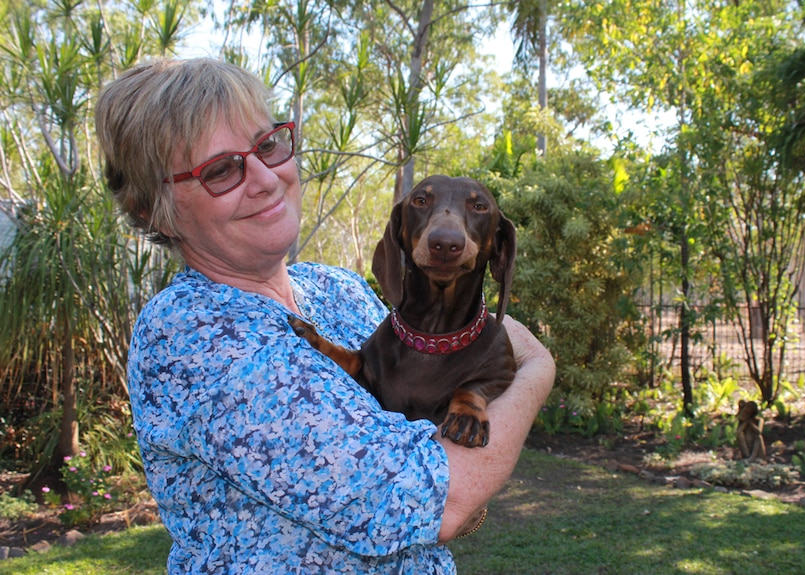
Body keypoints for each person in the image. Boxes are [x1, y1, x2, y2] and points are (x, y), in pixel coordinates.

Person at [95, 57, 555, 574]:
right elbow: (436, 498)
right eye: (221, 169)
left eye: (268, 145)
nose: (267, 179)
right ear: (150, 208)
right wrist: (537, 369)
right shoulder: (194, 333)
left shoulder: (336, 290)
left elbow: (437, 413)